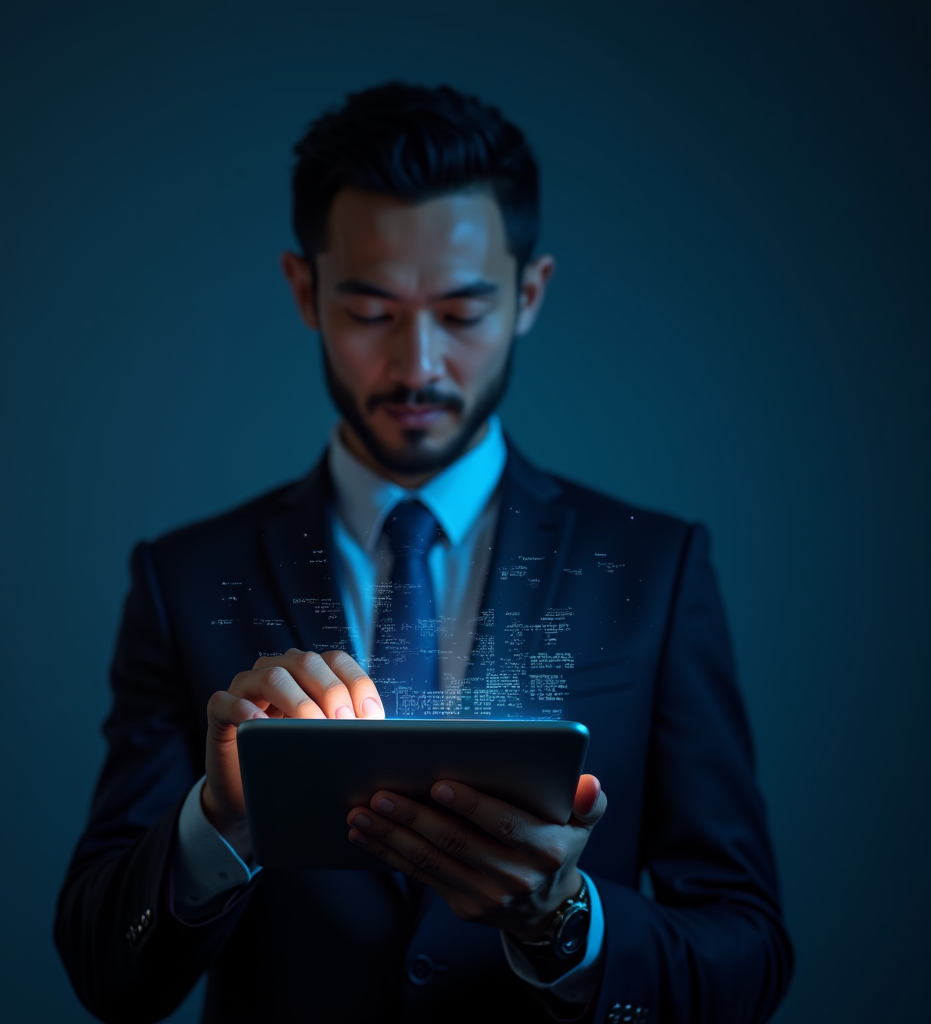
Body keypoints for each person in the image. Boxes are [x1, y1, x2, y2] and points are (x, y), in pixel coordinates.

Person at [55, 83, 792, 1023]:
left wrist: (565, 924)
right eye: (371, 312)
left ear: (530, 294)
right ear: (302, 289)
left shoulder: (657, 568)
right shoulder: (184, 579)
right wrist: (218, 823)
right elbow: (103, 968)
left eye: (462, 311)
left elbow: (748, 952)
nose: (418, 367)